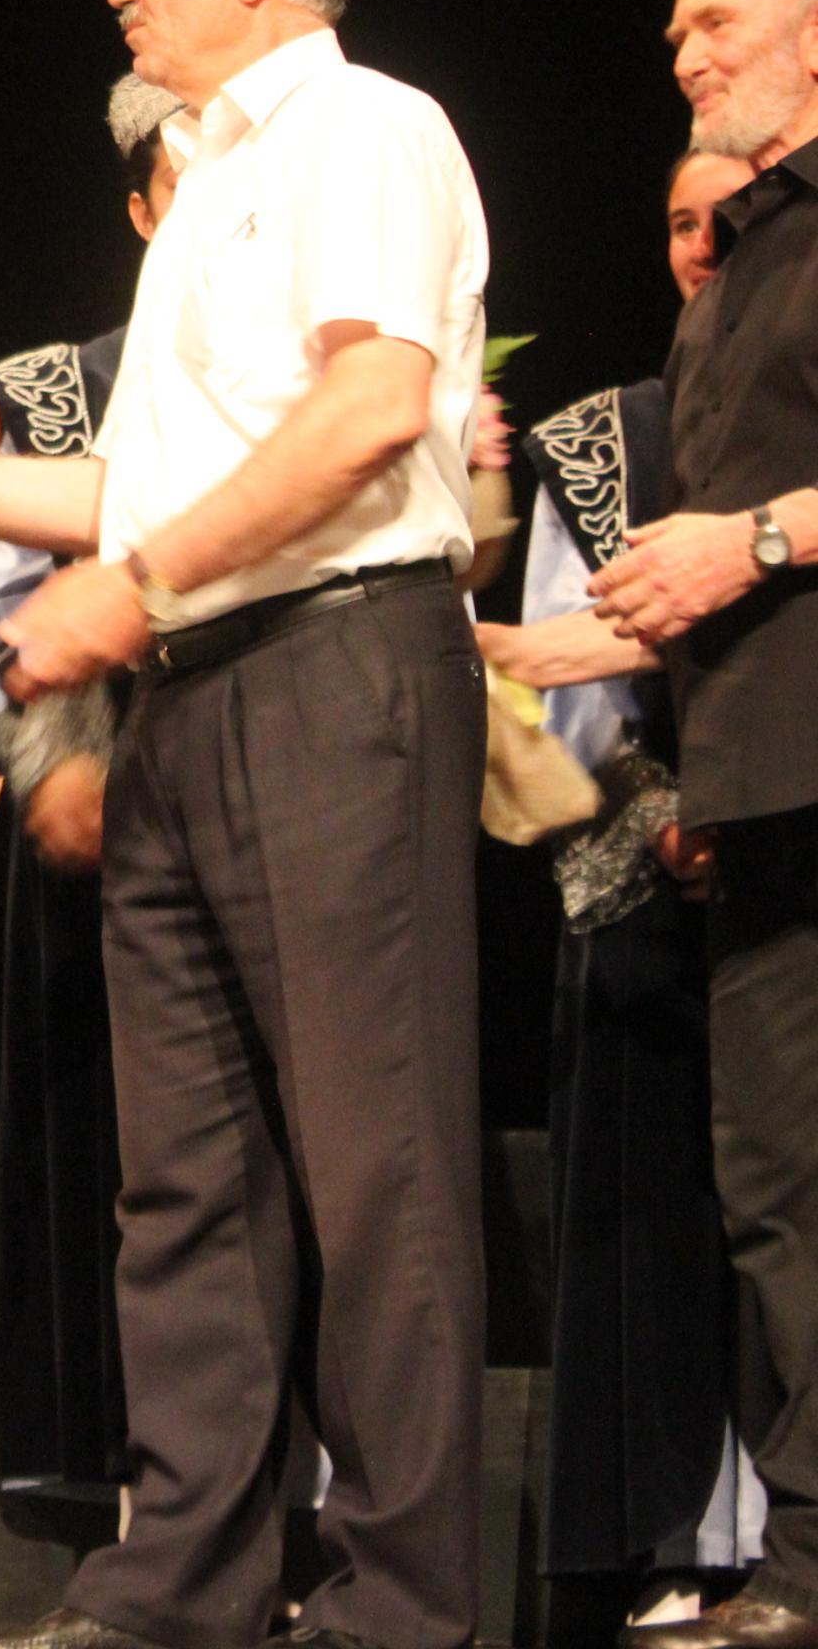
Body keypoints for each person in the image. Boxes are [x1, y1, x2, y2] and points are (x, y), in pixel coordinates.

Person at [0, 0, 494, 1649]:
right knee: (188, 1178)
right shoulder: (206, 179)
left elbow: (371, 409)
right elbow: (129, 486)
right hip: (194, 690)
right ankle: (183, 1584)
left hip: (337, 674)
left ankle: (400, 1605)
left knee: (375, 1167)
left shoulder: (363, 132)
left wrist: (140, 585)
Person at [479, 146, 769, 1629]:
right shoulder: (602, 447)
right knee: (661, 1222)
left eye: (732, 215)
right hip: (652, 898)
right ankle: (672, 1540)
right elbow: (547, 713)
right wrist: (665, 816)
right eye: (678, 221)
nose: (704, 244)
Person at [574, 0, 818, 1649]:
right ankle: (808, 1556)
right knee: (780, 1184)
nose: (684, 52)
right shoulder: (741, 257)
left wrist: (757, 539)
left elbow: (754, 538)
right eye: (673, 30)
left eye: (715, 21)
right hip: (762, 783)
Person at [0, 73, 170, 1507]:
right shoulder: (50, 393)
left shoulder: (327, 381)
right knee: (111, 1157)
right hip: (100, 824)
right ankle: (114, 1481)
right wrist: (55, 761)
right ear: (143, 210)